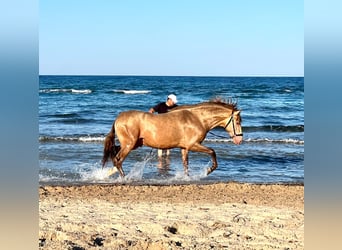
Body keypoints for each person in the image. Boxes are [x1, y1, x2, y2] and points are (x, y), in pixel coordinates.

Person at [149, 94, 178, 163]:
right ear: (169, 100)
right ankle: (160, 161)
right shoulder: (161, 105)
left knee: (169, 145)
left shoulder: (176, 107)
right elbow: (151, 110)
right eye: (173, 101)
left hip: (170, 128)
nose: (174, 103)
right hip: (160, 127)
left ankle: (167, 160)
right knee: (160, 144)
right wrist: (152, 118)